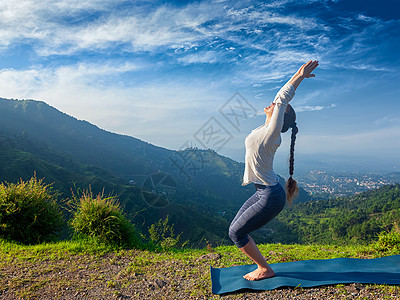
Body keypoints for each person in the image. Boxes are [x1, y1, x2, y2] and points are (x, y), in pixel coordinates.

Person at [228, 60, 319, 281]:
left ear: (281, 117)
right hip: (264, 191)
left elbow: (281, 98)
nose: (272, 103)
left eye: (279, 108)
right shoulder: (265, 129)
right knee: (235, 229)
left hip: (270, 195)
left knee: (235, 233)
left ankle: (265, 269)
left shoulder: (272, 134)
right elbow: (279, 100)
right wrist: (295, 77)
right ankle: (262, 265)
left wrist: (298, 76)